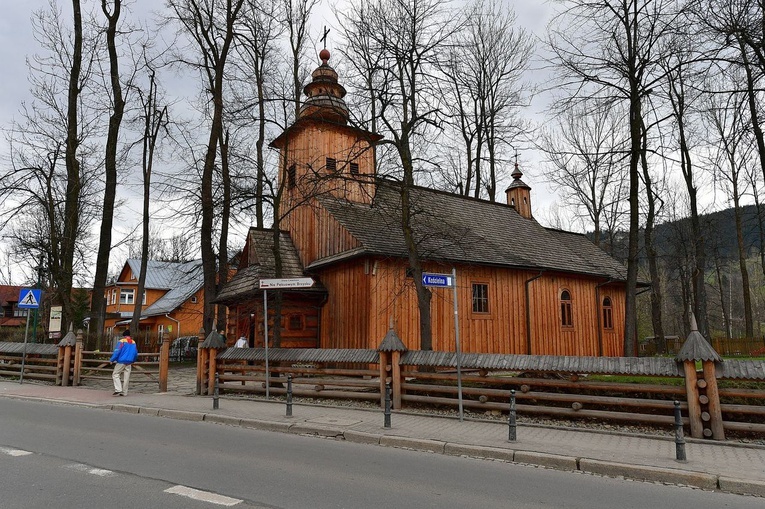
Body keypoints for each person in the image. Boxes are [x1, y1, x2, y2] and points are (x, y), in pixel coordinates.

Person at [110, 329, 138, 396]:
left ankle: (118, 389)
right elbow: (135, 353)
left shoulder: (121, 341)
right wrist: (133, 360)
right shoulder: (133, 342)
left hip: (121, 361)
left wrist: (112, 359)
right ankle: (124, 392)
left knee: (115, 374)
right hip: (129, 362)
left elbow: (117, 351)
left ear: (124, 335)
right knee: (126, 377)